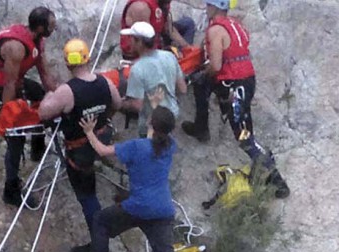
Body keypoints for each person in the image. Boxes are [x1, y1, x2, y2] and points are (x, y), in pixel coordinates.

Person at [79, 104, 179, 252]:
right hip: (163, 209)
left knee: (101, 221)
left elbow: (103, 151)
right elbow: (159, 130)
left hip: (138, 206)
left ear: (151, 123)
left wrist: (89, 132)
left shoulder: (137, 146)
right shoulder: (170, 145)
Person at [181, 0, 289, 198]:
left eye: (208, 5)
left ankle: (277, 181)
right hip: (246, 80)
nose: (206, 9)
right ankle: (201, 126)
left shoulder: (215, 31)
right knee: (203, 86)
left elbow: (215, 65)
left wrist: (202, 73)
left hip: (233, 86)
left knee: (243, 136)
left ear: (214, 7)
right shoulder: (236, 25)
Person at [38, 39, 123, 252]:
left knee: (88, 198)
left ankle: (99, 246)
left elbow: (44, 113)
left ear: (68, 63)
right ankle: (100, 239)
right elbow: (117, 104)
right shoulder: (105, 83)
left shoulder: (67, 91)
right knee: (89, 191)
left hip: (80, 151)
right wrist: (103, 118)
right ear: (89, 58)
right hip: (101, 139)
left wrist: (49, 96)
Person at [0, 7, 59, 207]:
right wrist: (7, 114)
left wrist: (61, 96)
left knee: (41, 95)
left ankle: (38, 148)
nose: (53, 28)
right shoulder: (16, 48)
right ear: (40, 27)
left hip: (15, 81)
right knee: (16, 137)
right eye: (50, 25)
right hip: (0, 87)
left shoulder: (37, 40)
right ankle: (11, 190)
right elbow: (9, 84)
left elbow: (45, 75)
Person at [119, 22, 187, 138]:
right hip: (171, 117)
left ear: (139, 42)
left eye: (131, 38)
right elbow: (183, 88)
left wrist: (120, 103)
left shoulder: (138, 69)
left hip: (151, 123)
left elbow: (137, 105)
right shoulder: (169, 56)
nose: (129, 41)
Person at [120, 0, 196, 60]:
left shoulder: (163, 3)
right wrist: (168, 53)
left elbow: (169, 29)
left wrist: (187, 47)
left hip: (155, 40)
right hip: (139, 51)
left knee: (188, 23)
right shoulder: (142, 7)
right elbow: (143, 44)